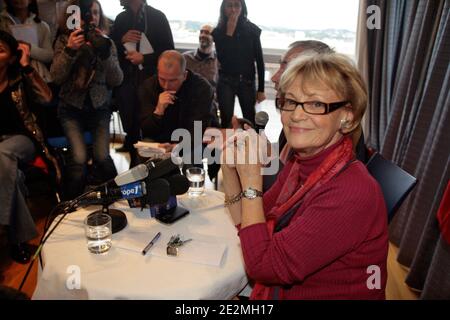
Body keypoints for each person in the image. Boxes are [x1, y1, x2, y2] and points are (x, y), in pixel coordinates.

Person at [221, 52, 389, 299]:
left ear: (347, 116)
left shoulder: (351, 191)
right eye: (290, 101)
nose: (296, 115)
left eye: (315, 104)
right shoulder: (300, 163)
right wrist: (229, 169)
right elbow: (248, 223)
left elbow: (264, 268)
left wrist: (251, 180)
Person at [50, 0, 123, 199]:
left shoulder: (107, 41)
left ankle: (119, 197)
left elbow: (117, 79)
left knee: (101, 155)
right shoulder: (65, 40)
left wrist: (106, 53)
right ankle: (69, 203)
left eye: (96, 13)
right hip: (71, 109)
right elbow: (56, 77)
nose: (92, 18)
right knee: (79, 158)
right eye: (86, 13)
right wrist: (70, 50)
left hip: (99, 108)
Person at [0, 30, 59, 263]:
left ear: (12, 57)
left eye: (0, 50)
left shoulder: (20, 78)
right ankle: (17, 240)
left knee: (3, 154)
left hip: (22, 139)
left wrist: (27, 67)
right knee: (10, 175)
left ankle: (2, 225)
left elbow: (46, 98)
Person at [111, 0, 174, 156]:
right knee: (129, 124)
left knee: (148, 125)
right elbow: (110, 50)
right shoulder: (120, 19)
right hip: (125, 81)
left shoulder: (157, 17)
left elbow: (169, 51)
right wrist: (121, 41)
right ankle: (134, 160)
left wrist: (144, 58)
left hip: (150, 81)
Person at [139, 50, 213, 153]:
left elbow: (198, 130)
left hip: (189, 142)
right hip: (159, 141)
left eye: (173, 80)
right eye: (162, 79)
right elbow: (146, 130)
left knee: (192, 156)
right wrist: (158, 111)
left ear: (185, 75)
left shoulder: (201, 88)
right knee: (144, 154)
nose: (166, 86)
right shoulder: (149, 86)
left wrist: (177, 147)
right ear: (158, 71)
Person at [212, 0, 266, 128]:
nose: (233, 9)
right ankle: (226, 147)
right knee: (226, 119)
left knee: (250, 119)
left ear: (242, 8)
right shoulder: (218, 31)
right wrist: (229, 32)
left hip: (247, 81)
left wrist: (261, 89)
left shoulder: (252, 30)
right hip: (225, 81)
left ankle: (252, 146)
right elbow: (223, 58)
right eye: (229, 6)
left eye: (237, 5)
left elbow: (259, 60)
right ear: (224, 9)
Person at [0, 0, 53, 82]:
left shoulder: (42, 26)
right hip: (9, 77)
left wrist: (29, 47)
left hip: (37, 76)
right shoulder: (2, 23)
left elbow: (49, 56)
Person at [183, 24, 220, 127]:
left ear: (214, 38)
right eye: (201, 32)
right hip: (187, 101)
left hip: (209, 103)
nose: (203, 35)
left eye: (207, 33)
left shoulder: (218, 61)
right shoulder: (185, 58)